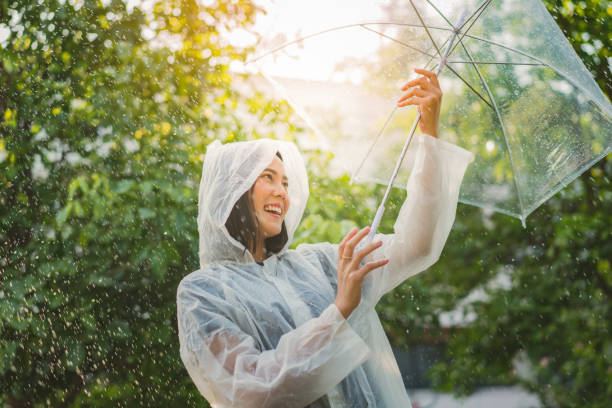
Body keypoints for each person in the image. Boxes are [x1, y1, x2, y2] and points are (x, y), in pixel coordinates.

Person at [177, 69, 474, 407]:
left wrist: (429, 136)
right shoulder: (203, 293)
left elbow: (416, 245)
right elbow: (252, 390)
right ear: (232, 191)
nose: (281, 192)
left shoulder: (323, 264)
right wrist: (340, 310)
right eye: (268, 178)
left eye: (286, 183)